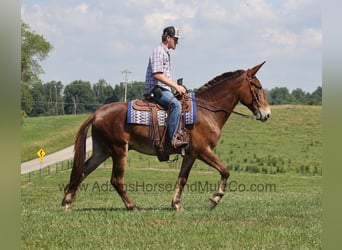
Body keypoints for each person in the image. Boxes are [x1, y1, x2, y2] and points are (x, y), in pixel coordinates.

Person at [145, 26, 188, 149]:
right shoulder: (159, 51)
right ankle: (172, 140)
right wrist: (176, 86)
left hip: (163, 89)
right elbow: (157, 75)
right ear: (168, 38)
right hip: (156, 90)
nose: (177, 42)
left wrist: (176, 87)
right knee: (176, 105)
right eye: (175, 39)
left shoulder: (165, 52)